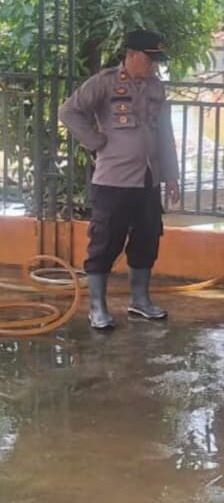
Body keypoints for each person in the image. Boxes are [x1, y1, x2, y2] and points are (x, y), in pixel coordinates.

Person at [59, 29, 180, 330]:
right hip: (113, 180)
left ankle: (140, 301)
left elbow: (164, 133)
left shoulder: (156, 87)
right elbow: (69, 111)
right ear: (133, 55)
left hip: (147, 180)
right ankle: (97, 308)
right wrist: (95, 141)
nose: (154, 66)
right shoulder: (104, 82)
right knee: (105, 242)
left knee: (147, 239)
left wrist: (172, 175)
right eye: (150, 59)